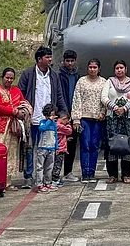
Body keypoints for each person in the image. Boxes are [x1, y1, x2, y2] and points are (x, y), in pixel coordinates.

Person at [17, 47, 70, 189]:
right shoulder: (28, 74)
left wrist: (64, 112)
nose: (50, 59)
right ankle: (28, 176)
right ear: (39, 59)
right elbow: (20, 94)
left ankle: (47, 179)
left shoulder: (54, 76)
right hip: (33, 120)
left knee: (48, 150)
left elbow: (59, 95)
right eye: (47, 57)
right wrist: (22, 112)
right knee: (29, 148)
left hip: (48, 121)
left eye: (50, 57)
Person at [0, 68, 31, 190]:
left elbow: (23, 101)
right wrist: (14, 111)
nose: (9, 80)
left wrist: (26, 109)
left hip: (13, 128)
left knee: (11, 153)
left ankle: (7, 183)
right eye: (7, 77)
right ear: (2, 77)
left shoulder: (16, 90)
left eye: (11, 78)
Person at [102, 60, 130, 183]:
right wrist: (115, 108)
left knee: (127, 145)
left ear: (126, 69)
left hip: (128, 118)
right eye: (117, 68)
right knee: (112, 145)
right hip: (112, 118)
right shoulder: (110, 82)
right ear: (114, 70)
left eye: (121, 68)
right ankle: (112, 175)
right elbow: (103, 97)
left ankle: (126, 174)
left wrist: (124, 108)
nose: (119, 70)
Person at [70, 58, 108, 182]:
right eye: (90, 67)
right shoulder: (81, 81)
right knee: (85, 145)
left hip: (97, 119)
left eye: (95, 67)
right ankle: (85, 173)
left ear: (99, 69)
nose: (92, 69)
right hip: (84, 119)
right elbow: (77, 100)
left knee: (94, 146)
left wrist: (103, 112)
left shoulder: (104, 82)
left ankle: (92, 173)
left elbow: (105, 99)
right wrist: (76, 119)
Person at [59, 50, 81, 181]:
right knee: (58, 146)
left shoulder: (77, 76)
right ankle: (54, 173)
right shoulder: (58, 76)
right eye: (67, 61)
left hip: (74, 116)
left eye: (72, 61)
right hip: (62, 116)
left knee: (72, 146)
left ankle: (68, 171)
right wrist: (61, 114)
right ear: (63, 61)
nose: (70, 63)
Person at [34, 104, 59, 193]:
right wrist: (48, 121)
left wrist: (56, 147)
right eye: (51, 115)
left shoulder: (54, 124)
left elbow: (55, 135)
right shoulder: (42, 122)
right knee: (40, 166)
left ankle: (48, 182)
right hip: (42, 147)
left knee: (49, 166)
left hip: (51, 148)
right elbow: (42, 128)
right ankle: (39, 184)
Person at [55, 114, 73, 186]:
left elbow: (61, 135)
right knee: (57, 165)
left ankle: (54, 179)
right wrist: (68, 124)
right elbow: (69, 131)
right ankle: (55, 179)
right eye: (66, 121)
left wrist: (66, 139)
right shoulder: (60, 126)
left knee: (55, 165)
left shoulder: (54, 125)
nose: (66, 123)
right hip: (60, 149)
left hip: (57, 148)